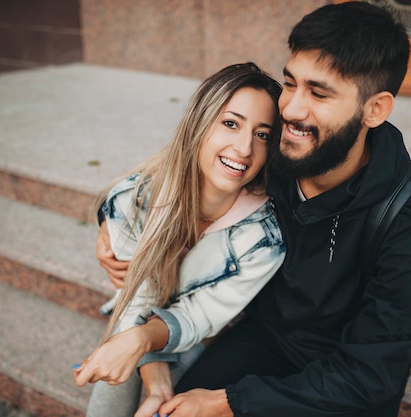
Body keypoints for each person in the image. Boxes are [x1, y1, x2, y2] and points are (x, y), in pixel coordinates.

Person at [80, 2, 411, 417]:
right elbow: (175, 175)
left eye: (319, 93)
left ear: (375, 109)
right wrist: (110, 225)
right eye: (291, 83)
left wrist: (227, 403)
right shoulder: (267, 153)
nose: (290, 108)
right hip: (264, 340)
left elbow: (370, 375)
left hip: (347, 383)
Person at [73, 62, 286, 417]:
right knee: (120, 351)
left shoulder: (264, 237)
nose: (245, 148)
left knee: (172, 378)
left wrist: (142, 347)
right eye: (230, 123)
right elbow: (138, 300)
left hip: (211, 332)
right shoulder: (135, 199)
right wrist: (152, 376)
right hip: (147, 310)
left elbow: (198, 317)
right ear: (199, 124)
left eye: (262, 134)